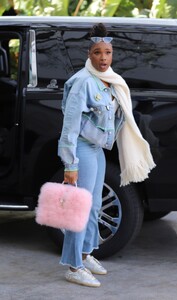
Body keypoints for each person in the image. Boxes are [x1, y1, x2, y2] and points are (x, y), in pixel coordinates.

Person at [58, 23, 156, 288]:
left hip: (97, 149)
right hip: (80, 149)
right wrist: (70, 163)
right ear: (89, 54)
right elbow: (70, 125)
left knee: (95, 207)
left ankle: (86, 253)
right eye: (98, 52)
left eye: (108, 52)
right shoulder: (82, 82)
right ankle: (73, 265)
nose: (103, 58)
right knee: (81, 207)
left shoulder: (110, 79)